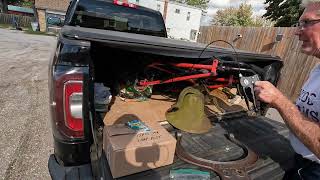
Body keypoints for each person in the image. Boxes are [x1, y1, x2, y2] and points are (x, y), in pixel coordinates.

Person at [254, 0, 320, 179]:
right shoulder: (317, 70)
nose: (298, 31)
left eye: (306, 22)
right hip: (300, 161)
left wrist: (279, 100)